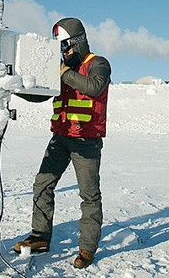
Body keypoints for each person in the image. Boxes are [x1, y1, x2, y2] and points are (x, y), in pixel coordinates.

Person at [14, 17, 111, 269]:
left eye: (67, 46)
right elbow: (40, 95)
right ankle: (40, 237)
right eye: (60, 48)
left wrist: (64, 72)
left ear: (79, 42)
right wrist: (13, 85)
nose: (64, 52)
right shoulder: (61, 68)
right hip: (60, 138)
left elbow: (94, 87)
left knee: (89, 195)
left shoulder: (97, 64)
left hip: (86, 143)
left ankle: (87, 248)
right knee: (42, 184)